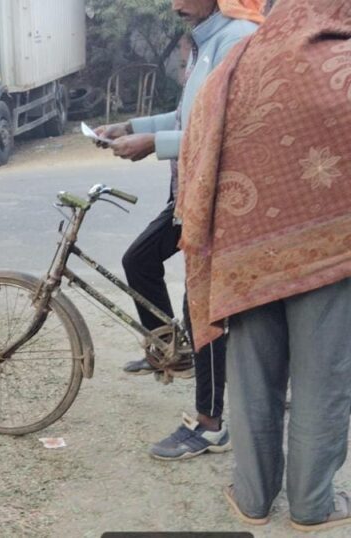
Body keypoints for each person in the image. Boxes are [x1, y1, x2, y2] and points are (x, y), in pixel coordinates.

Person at [178, 0, 351, 529]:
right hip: (331, 252)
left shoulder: (241, 58)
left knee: (252, 375)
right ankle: (312, 505)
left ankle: (253, 498)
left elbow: (200, 144)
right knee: (322, 379)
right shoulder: (341, 63)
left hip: (244, 252)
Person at [92, 0, 262, 461]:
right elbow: (190, 120)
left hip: (219, 197)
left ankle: (210, 425)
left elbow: (232, 132)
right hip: (190, 194)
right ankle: (170, 351)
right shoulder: (208, 42)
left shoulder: (237, 40)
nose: (175, 5)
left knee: (202, 309)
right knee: (142, 261)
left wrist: (155, 143)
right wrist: (131, 127)